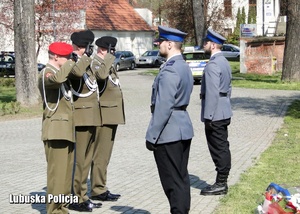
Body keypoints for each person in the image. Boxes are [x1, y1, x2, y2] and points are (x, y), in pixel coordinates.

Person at [145, 26, 194, 214]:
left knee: (172, 183)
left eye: (161, 42)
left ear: (170, 44)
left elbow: (163, 107)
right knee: (181, 178)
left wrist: (151, 135)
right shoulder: (183, 66)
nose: (159, 45)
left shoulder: (171, 70)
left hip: (169, 132)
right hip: (182, 127)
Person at [67, 30, 115, 212]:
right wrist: (84, 56)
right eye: (87, 46)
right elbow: (77, 75)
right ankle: (76, 196)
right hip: (81, 118)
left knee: (86, 160)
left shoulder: (86, 63)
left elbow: (98, 78)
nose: (89, 50)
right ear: (82, 46)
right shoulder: (74, 62)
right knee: (80, 161)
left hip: (92, 117)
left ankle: (83, 195)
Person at [84, 36, 125, 202]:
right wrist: (108, 58)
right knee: (100, 154)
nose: (112, 53)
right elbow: (101, 77)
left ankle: (100, 186)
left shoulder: (106, 63)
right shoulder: (95, 63)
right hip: (103, 115)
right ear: (102, 49)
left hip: (110, 114)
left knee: (105, 155)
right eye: (110, 49)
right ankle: (98, 189)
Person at [38, 42, 76, 214]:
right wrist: (69, 64)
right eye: (66, 57)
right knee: (57, 175)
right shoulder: (46, 73)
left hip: (65, 130)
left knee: (65, 175)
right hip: (55, 130)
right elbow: (56, 80)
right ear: (55, 57)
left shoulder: (61, 72)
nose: (69, 60)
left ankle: (62, 208)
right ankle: (54, 211)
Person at [199, 28, 233, 196]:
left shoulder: (213, 64)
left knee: (218, 148)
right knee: (223, 146)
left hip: (215, 114)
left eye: (205, 43)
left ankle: (221, 183)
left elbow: (212, 92)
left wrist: (209, 116)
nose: (203, 45)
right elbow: (229, 88)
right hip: (224, 109)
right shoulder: (224, 61)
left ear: (212, 45)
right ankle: (222, 180)